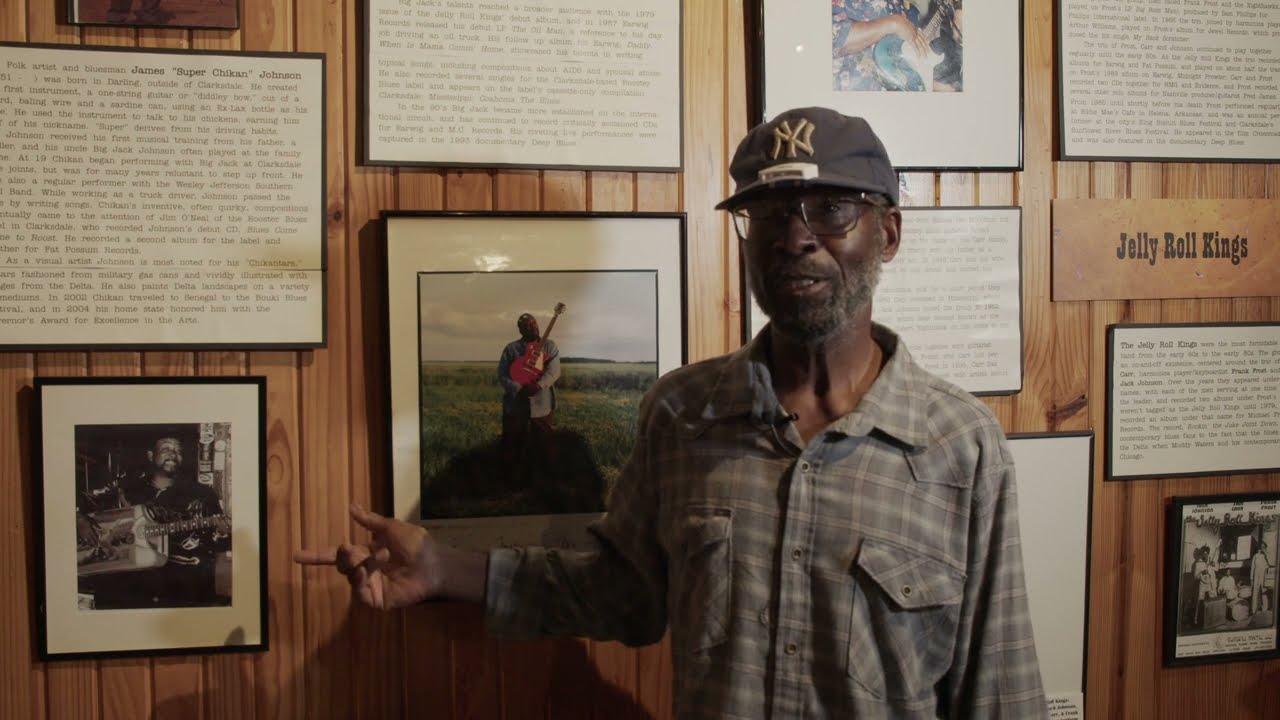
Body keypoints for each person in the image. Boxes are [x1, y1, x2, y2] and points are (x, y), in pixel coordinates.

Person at [296, 107, 1047, 717]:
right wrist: (442, 566)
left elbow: (998, 694)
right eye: (768, 214)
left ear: (887, 233)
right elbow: (619, 592)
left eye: (831, 209)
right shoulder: (682, 416)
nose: (795, 238)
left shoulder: (960, 448)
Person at [84, 435, 231, 609]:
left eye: (178, 451)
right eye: (166, 449)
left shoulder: (202, 494)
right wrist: (80, 519)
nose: (173, 454)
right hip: (127, 591)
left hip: (180, 593)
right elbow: (82, 499)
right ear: (150, 455)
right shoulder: (126, 488)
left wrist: (223, 532)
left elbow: (219, 546)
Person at [833, 0, 963, 92]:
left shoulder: (907, 9)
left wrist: (929, 80)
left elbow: (904, 63)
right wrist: (893, 24)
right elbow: (832, 40)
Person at [496, 311, 562, 464]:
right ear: (520, 330)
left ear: (538, 325)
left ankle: (544, 478)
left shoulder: (549, 346)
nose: (531, 328)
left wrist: (538, 386)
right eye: (526, 326)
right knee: (512, 444)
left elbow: (554, 371)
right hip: (515, 404)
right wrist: (518, 388)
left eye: (533, 324)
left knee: (544, 444)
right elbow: (502, 374)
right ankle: (511, 480)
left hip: (542, 404)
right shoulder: (511, 349)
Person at [1251, 539, 1271, 616]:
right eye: (1261, 547)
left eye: (1263, 547)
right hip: (1256, 576)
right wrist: (1251, 578)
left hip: (1264, 577)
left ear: (1265, 547)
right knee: (1255, 592)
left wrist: (1266, 553)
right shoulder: (1255, 556)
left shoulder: (1266, 556)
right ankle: (1253, 610)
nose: (1261, 549)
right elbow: (1253, 568)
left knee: (1264, 592)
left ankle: (1264, 609)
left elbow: (1270, 563)